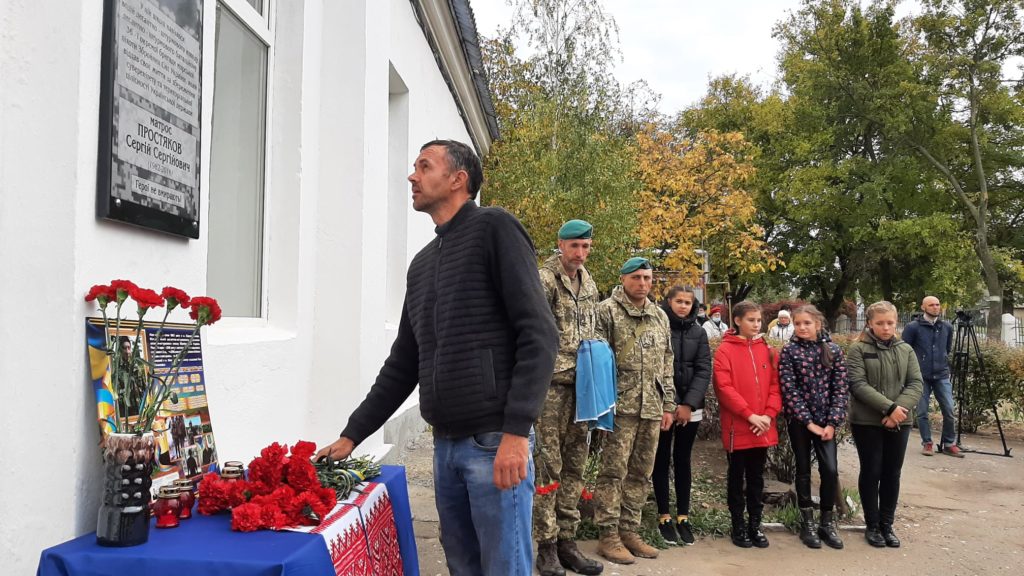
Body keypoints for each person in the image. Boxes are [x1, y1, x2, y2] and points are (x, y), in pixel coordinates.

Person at [315, 140, 558, 575]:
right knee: (462, 566)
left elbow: (539, 334)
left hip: (493, 444)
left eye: (424, 166)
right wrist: (353, 433)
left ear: (458, 179)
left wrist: (517, 432)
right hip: (445, 447)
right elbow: (403, 362)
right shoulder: (423, 264)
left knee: (504, 566)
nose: (412, 176)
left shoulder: (494, 228)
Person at [592, 257, 675, 565]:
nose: (643, 283)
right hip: (619, 406)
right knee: (614, 472)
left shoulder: (659, 316)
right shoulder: (606, 312)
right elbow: (596, 362)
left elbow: (667, 360)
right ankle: (608, 535)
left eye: (648, 278)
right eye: (637, 277)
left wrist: (668, 403)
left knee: (641, 473)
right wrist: (601, 408)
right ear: (624, 278)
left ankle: (630, 530)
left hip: (651, 406)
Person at [533, 219, 603, 576]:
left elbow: (592, 332)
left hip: (583, 389)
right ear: (560, 244)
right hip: (550, 388)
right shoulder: (544, 279)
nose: (580, 254)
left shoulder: (588, 282)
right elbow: (534, 333)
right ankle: (545, 548)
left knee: (575, 465)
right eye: (574, 246)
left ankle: (567, 542)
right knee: (549, 468)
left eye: (586, 247)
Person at [846, 300, 923, 548]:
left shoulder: (905, 350)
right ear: (870, 323)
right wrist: (888, 407)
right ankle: (872, 525)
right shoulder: (858, 350)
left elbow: (915, 384)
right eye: (880, 323)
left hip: (900, 420)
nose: (886, 328)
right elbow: (858, 385)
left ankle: (887, 525)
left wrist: (897, 411)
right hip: (867, 421)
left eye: (890, 322)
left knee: (892, 473)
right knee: (872, 471)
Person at [778, 305, 848, 550]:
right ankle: (806, 521)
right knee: (803, 470)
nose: (802, 328)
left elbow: (840, 388)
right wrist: (808, 421)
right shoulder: (789, 351)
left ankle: (826, 522)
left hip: (826, 422)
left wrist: (831, 422)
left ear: (818, 324)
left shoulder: (833, 350)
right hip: (800, 422)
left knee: (830, 470)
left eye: (807, 323)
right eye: (798, 324)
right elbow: (789, 389)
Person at [713, 300, 781, 549]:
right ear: (738, 321)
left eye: (758, 320)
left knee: (756, 478)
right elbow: (724, 387)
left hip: (762, 425)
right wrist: (750, 415)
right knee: (736, 477)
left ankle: (755, 524)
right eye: (751, 320)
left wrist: (768, 415)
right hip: (739, 425)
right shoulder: (725, 350)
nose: (756, 324)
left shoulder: (768, 350)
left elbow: (775, 385)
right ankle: (738, 525)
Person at [652, 286, 711, 546]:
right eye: (679, 301)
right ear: (669, 302)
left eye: (688, 302)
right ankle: (664, 514)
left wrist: (688, 403)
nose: (683, 306)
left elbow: (703, 369)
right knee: (661, 459)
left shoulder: (699, 332)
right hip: (662, 407)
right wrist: (670, 403)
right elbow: (656, 365)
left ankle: (683, 515)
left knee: (683, 459)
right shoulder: (658, 325)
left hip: (690, 407)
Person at [901, 296, 961, 457]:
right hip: (920, 376)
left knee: (949, 409)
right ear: (923, 307)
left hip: (941, 374)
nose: (935, 307)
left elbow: (946, 349)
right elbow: (905, 350)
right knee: (922, 411)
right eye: (931, 305)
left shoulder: (946, 326)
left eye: (937, 304)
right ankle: (927, 443)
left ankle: (949, 443)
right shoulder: (913, 327)